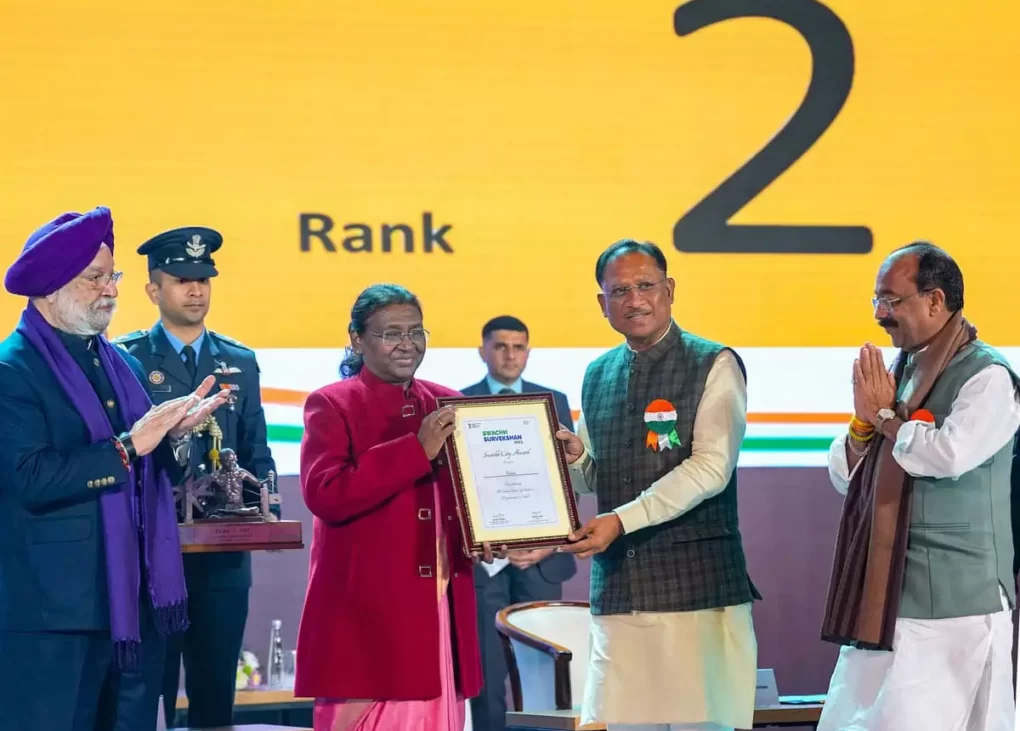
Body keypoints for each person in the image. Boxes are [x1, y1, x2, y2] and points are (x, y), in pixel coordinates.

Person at [0, 207, 229, 730]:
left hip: (129, 605)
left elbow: (148, 463)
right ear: (51, 287)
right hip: (53, 618)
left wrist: (172, 437)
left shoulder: (115, 361)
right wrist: (128, 447)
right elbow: (30, 479)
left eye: (113, 276)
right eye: (95, 279)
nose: (111, 291)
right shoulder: (12, 370)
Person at [555, 239, 760, 731]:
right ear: (602, 304)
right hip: (620, 591)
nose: (634, 300)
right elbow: (598, 480)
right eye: (619, 290)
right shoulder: (597, 373)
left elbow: (711, 468)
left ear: (669, 290)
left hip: (696, 589)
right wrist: (577, 457)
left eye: (646, 286)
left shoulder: (714, 362)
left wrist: (620, 521)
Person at [817, 242, 1020, 731]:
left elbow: (949, 454)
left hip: (956, 603)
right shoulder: (902, 370)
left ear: (935, 301)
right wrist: (866, 425)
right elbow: (847, 479)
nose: (880, 316)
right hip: (888, 592)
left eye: (892, 301)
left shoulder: (987, 376)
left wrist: (886, 416)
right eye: (876, 301)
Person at [294, 283, 501, 731]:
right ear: (357, 339)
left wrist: (489, 532)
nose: (407, 343)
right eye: (391, 333)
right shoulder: (331, 403)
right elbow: (325, 495)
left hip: (440, 603)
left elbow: (472, 494)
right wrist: (415, 450)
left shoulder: (449, 402)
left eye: (416, 331)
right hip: (367, 613)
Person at [113, 226, 277, 728]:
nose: (196, 290)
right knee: (145, 697)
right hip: (152, 552)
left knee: (214, 699)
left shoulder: (240, 361)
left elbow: (256, 449)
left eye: (204, 279)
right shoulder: (127, 359)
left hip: (223, 554)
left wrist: (266, 507)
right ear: (153, 290)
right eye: (182, 279)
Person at [461, 314, 577, 731]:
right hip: (486, 561)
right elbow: (460, 485)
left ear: (528, 351)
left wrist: (552, 542)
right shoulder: (458, 402)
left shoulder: (555, 400)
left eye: (519, 346)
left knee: (544, 673)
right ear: (482, 351)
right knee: (488, 675)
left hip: (543, 559)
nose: (510, 355)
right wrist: (489, 539)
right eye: (500, 346)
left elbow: (570, 481)